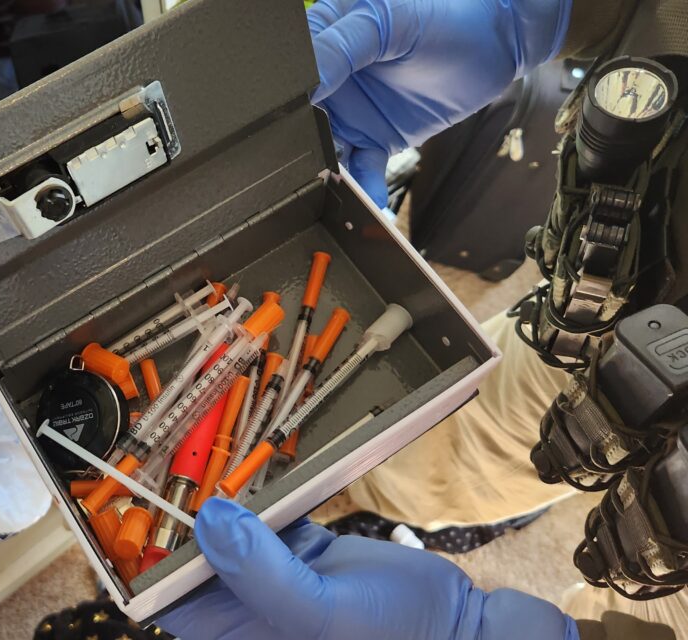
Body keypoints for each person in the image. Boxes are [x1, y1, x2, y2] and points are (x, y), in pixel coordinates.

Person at [157, 1, 687, 638]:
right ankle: (376, 493)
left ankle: (372, 500)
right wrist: (544, 13)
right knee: (469, 445)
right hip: (617, 307)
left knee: (614, 541)